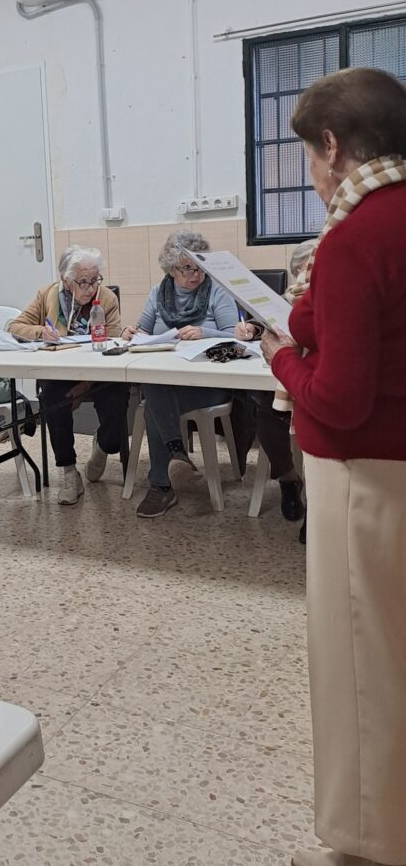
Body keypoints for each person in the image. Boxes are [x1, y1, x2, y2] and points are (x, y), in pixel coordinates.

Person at [260, 67, 406, 866]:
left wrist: (282, 361)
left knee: (358, 665)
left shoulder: (358, 235)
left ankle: (364, 838)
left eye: (309, 161)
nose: (312, 180)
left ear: (331, 146)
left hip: (362, 474)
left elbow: (341, 398)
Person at [122, 230, 239, 519]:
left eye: (200, 267)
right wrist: (132, 333)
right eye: (188, 268)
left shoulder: (217, 291)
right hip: (167, 381)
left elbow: (236, 338)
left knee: (153, 399)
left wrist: (204, 332)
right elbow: (144, 331)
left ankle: (161, 485)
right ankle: (175, 456)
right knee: (156, 387)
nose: (196, 274)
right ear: (172, 268)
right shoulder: (157, 293)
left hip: (208, 383)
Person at [7, 246, 128, 505]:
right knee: (50, 397)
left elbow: (115, 342)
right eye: (82, 282)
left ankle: (104, 447)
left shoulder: (106, 299)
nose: (90, 288)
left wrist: (85, 385)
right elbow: (14, 326)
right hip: (60, 371)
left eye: (95, 280)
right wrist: (42, 332)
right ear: (65, 280)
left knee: (118, 396)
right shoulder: (47, 295)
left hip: (100, 373)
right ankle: (69, 470)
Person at [234, 239, 318, 529]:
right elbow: (266, 326)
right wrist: (253, 329)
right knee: (262, 402)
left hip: (314, 384)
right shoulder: (284, 300)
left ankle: (318, 501)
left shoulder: (329, 298)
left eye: (307, 268)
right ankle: (288, 479)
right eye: (298, 269)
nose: (302, 275)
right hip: (281, 381)